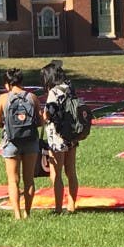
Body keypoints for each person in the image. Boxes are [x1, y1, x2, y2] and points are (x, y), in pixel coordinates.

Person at [0, 68, 39, 219]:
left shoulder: (3, 99)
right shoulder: (32, 97)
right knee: (29, 180)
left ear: (7, 84)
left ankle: (17, 214)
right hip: (31, 141)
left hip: (11, 142)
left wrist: (7, 126)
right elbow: (40, 121)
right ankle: (28, 212)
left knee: (13, 180)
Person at [41, 60, 80, 214]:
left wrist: (42, 115)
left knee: (56, 173)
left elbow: (49, 112)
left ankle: (58, 208)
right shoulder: (70, 88)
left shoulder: (54, 92)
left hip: (57, 136)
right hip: (72, 133)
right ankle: (71, 205)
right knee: (71, 171)